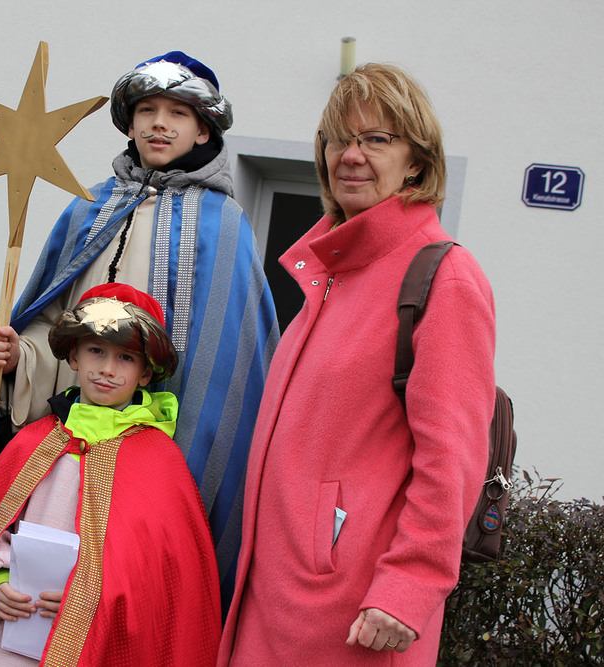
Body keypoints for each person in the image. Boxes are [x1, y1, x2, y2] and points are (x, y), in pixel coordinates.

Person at [218, 63, 497, 665]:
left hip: (357, 612)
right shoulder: (332, 273)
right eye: (339, 139)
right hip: (276, 592)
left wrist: (408, 588)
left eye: (377, 139)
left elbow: (452, 458)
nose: (351, 155)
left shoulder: (444, 278)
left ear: (416, 161)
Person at [0, 50, 279, 605]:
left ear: (204, 129)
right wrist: (21, 355)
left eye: (177, 112)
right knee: (48, 583)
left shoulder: (226, 225)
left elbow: (229, 362)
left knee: (133, 581)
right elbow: (53, 319)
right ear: (130, 121)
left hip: (157, 456)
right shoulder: (89, 208)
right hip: (73, 438)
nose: (159, 124)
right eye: (147, 110)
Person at [0, 283, 221, 665]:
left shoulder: (159, 462)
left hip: (103, 644)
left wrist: (89, 599)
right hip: (15, 632)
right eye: (96, 350)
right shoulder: (35, 441)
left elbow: (160, 577)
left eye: (126, 357)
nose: (107, 369)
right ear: (74, 356)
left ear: (146, 373)